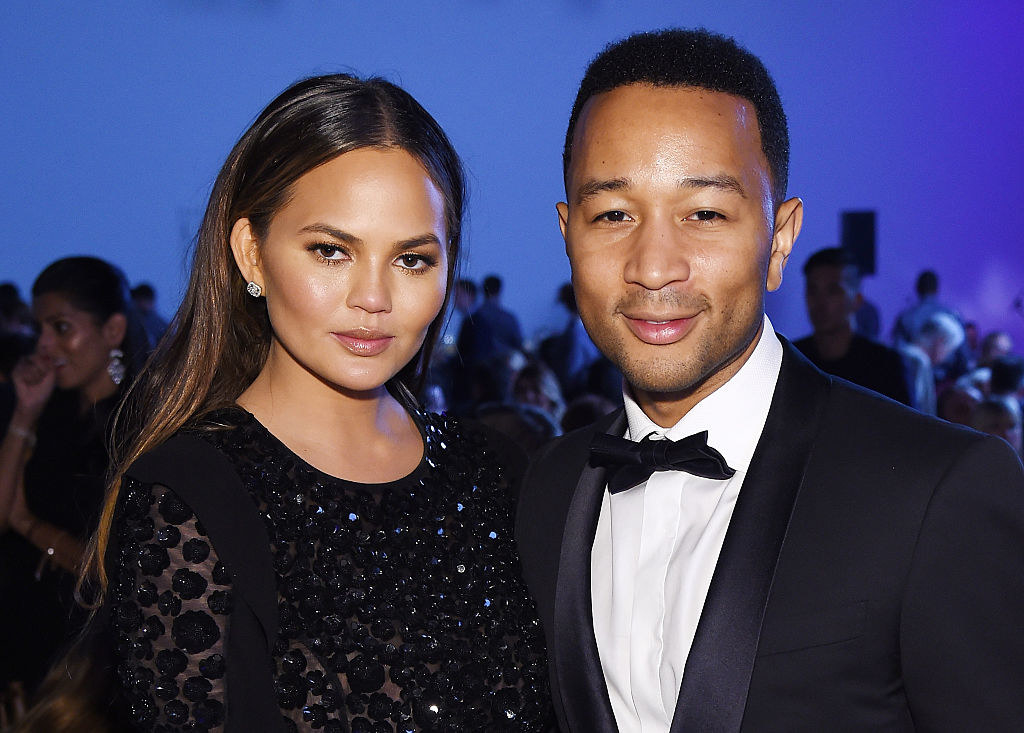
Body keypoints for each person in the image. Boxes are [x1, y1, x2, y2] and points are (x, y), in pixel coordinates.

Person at [516, 28, 1024, 732]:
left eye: (704, 214)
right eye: (613, 214)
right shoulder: (548, 487)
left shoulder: (938, 491)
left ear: (779, 240)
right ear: (569, 235)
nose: (654, 265)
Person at [40, 75, 549, 732]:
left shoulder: (493, 471)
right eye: (331, 250)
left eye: (413, 260)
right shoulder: (189, 495)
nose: (373, 296)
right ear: (252, 252)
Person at [0, 257, 146, 701]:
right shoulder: (54, 411)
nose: (43, 344)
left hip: (91, 658)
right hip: (28, 636)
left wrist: (30, 527)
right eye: (38, 327)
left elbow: (117, 571)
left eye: (60, 328)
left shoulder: (141, 426)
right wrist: (25, 412)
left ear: (113, 331)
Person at [793, 247, 911, 404]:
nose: (820, 303)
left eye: (833, 291)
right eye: (812, 291)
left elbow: (905, 425)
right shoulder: (793, 359)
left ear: (857, 300)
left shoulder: (884, 365)